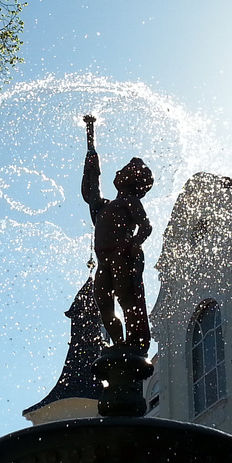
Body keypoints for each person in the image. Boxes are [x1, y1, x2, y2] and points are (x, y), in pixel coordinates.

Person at [81, 115, 153, 351]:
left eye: (124, 170)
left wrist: (134, 244)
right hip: (103, 260)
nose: (119, 172)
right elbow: (91, 192)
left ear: (132, 180)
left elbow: (145, 226)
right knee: (103, 302)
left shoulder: (128, 202)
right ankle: (118, 343)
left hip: (120, 255)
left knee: (125, 297)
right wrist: (91, 153)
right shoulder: (105, 206)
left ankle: (132, 341)